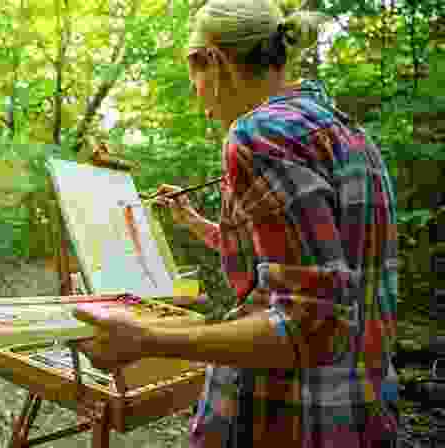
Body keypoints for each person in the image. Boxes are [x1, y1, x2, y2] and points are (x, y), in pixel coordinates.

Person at [73, 0, 401, 447]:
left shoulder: (259, 134)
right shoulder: (350, 135)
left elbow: (312, 322)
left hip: (292, 417)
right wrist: (195, 223)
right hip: (364, 409)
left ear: (217, 61)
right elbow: (298, 262)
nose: (201, 103)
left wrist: (145, 338)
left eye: (196, 84)